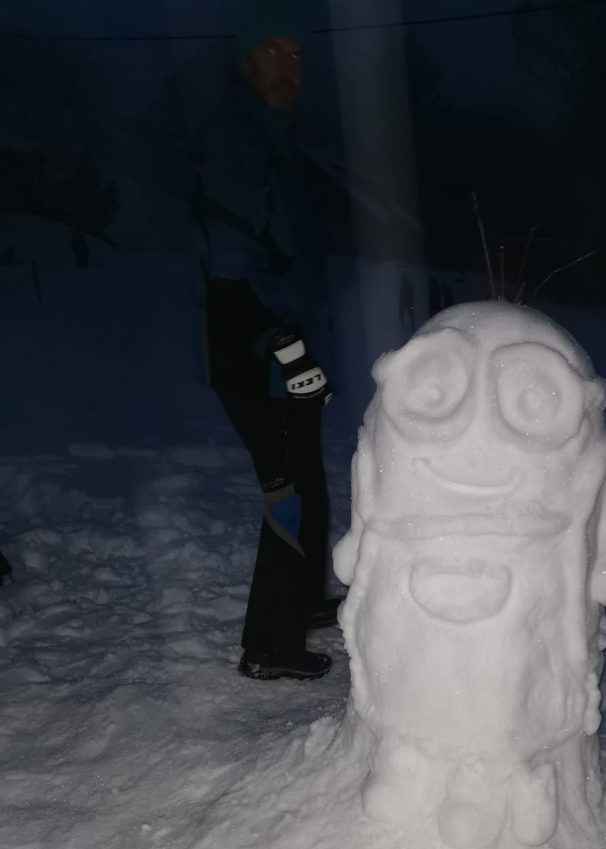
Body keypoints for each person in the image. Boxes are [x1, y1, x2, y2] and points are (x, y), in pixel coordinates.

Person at [198, 1, 342, 682]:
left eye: (298, 54)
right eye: (274, 51)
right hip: (257, 335)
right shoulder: (234, 135)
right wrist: (285, 334)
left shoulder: (278, 138)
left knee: (305, 468)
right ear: (246, 59)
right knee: (284, 479)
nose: (290, 66)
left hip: (289, 335)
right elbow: (233, 250)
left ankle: (305, 599)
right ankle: (268, 644)